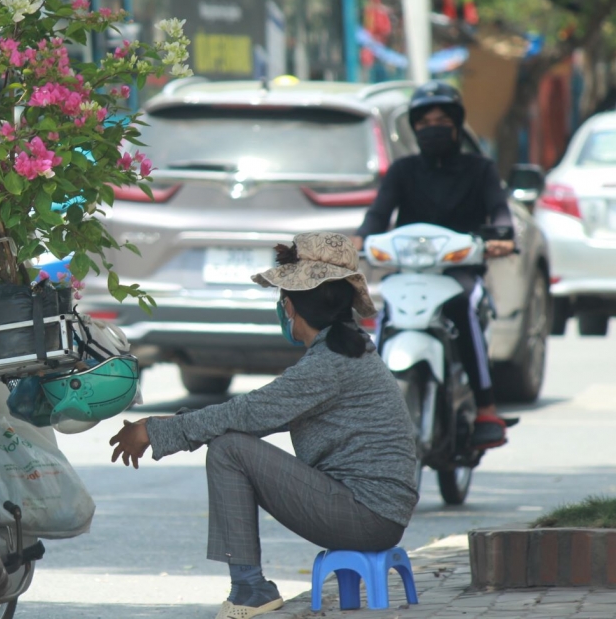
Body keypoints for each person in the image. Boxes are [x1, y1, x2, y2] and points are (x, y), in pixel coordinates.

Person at [110, 233, 418, 619]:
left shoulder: (329, 364)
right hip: (374, 514)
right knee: (230, 440)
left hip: (366, 517)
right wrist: (164, 424)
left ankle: (250, 589)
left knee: (229, 449)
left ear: (289, 306)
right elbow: (251, 413)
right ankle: (249, 586)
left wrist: (154, 431)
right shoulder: (347, 350)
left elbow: (246, 414)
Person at [351, 81, 514, 450]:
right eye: (424, 123)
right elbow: (377, 216)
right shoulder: (403, 170)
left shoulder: (480, 169)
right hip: (410, 273)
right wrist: (357, 243)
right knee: (385, 314)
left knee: (465, 307)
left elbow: (500, 212)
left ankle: (486, 408)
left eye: (441, 121)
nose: (432, 129)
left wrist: (502, 237)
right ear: (414, 128)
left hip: (460, 273)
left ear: (456, 125)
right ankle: (371, 402)